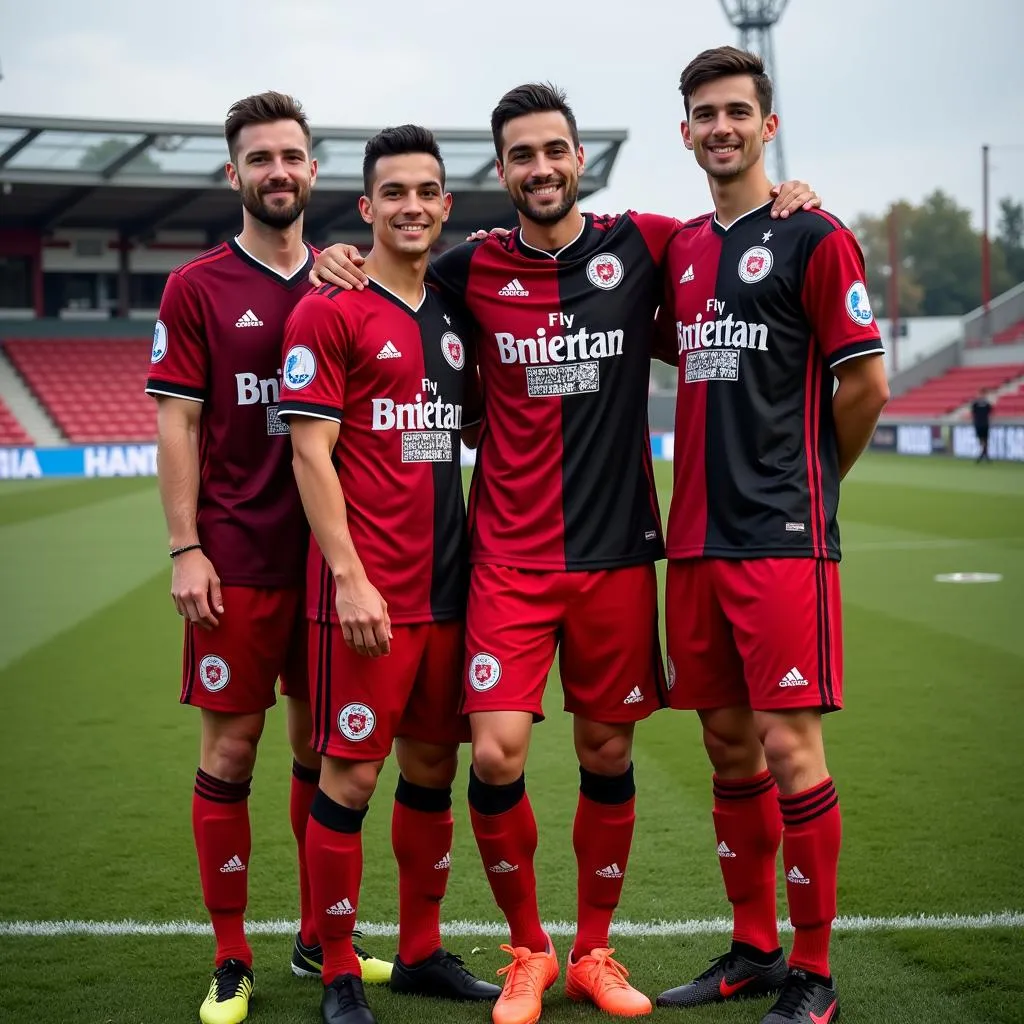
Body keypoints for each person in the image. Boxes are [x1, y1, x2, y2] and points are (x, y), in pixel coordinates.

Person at [311, 84, 819, 1024]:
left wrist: (790, 199)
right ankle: (529, 952)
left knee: (604, 747)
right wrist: (335, 258)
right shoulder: (467, 268)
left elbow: (733, 232)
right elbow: (399, 280)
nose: (539, 169)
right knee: (496, 755)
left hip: (620, 552)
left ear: (578, 158)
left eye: (554, 151)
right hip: (505, 557)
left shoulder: (647, 244)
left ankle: (593, 950)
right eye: (520, 156)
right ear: (499, 172)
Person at [653, 47, 889, 1024]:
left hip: (781, 539)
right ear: (684, 133)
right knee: (725, 745)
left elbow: (865, 383)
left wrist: (811, 484)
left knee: (792, 747)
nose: (720, 128)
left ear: (767, 123)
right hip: (696, 540)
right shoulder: (677, 252)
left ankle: (814, 970)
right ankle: (751, 948)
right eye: (703, 114)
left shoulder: (814, 235)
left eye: (736, 112)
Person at [145, 91, 390, 1024]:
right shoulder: (198, 286)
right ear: (234, 174)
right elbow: (178, 423)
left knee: (320, 751)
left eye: (292, 156)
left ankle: (320, 940)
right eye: (260, 159)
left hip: (335, 565)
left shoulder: (344, 279)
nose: (277, 172)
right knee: (232, 748)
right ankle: (231, 955)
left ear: (314, 170)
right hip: (239, 560)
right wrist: (185, 546)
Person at [277, 124, 500, 1024]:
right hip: (367, 596)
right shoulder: (327, 307)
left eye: (428, 192)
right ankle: (334, 966)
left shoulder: (453, 314)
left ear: (446, 206)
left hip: (450, 587)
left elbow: (478, 430)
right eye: (393, 193)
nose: (412, 206)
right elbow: (308, 453)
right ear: (365, 208)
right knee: (350, 778)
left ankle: (419, 951)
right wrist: (349, 577)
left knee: (433, 769)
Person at [971, 388, 993, 461]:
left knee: (985, 439)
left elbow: (990, 412)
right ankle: (984, 454)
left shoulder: (987, 404)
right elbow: (973, 413)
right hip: (978, 424)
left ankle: (983, 454)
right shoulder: (975, 404)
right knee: (981, 440)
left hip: (985, 424)